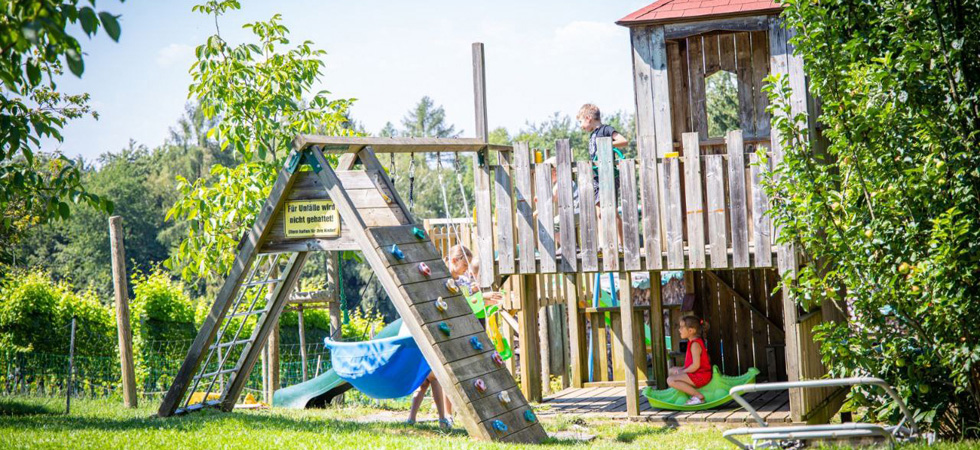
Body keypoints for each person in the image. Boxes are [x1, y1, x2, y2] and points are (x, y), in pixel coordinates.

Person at [406, 245, 501, 429]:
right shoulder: (441, 277)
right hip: (441, 331)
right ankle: (436, 416)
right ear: (454, 260)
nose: (467, 268)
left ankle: (443, 416)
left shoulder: (465, 281)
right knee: (431, 378)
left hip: (456, 332)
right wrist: (480, 296)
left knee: (437, 378)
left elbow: (469, 303)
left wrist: (485, 298)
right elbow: (452, 299)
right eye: (464, 264)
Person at [577, 103, 628, 247]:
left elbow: (623, 141)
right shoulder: (592, 135)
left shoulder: (606, 129)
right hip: (597, 177)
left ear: (588, 118)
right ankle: (602, 244)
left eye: (581, 121)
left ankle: (620, 243)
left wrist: (607, 145)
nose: (581, 126)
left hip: (608, 176)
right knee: (599, 213)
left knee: (612, 210)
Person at [667, 315, 713, 405]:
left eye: (681, 327)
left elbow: (696, 366)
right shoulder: (692, 342)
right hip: (696, 373)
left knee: (670, 380)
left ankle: (698, 396)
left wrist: (683, 371)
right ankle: (682, 392)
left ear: (691, 331)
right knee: (672, 370)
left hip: (701, 376)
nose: (679, 329)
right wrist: (682, 369)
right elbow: (690, 364)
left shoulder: (695, 345)